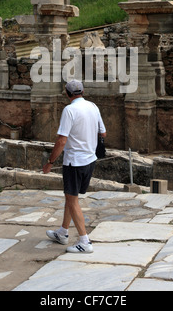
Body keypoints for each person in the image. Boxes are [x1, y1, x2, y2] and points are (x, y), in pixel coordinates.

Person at [43, 79, 106, 254]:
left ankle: (85, 241)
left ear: (67, 94)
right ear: (82, 92)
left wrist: (50, 162)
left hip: (74, 161)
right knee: (71, 197)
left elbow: (62, 140)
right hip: (89, 159)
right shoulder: (93, 106)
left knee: (72, 200)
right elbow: (103, 132)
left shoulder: (69, 110)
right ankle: (63, 232)